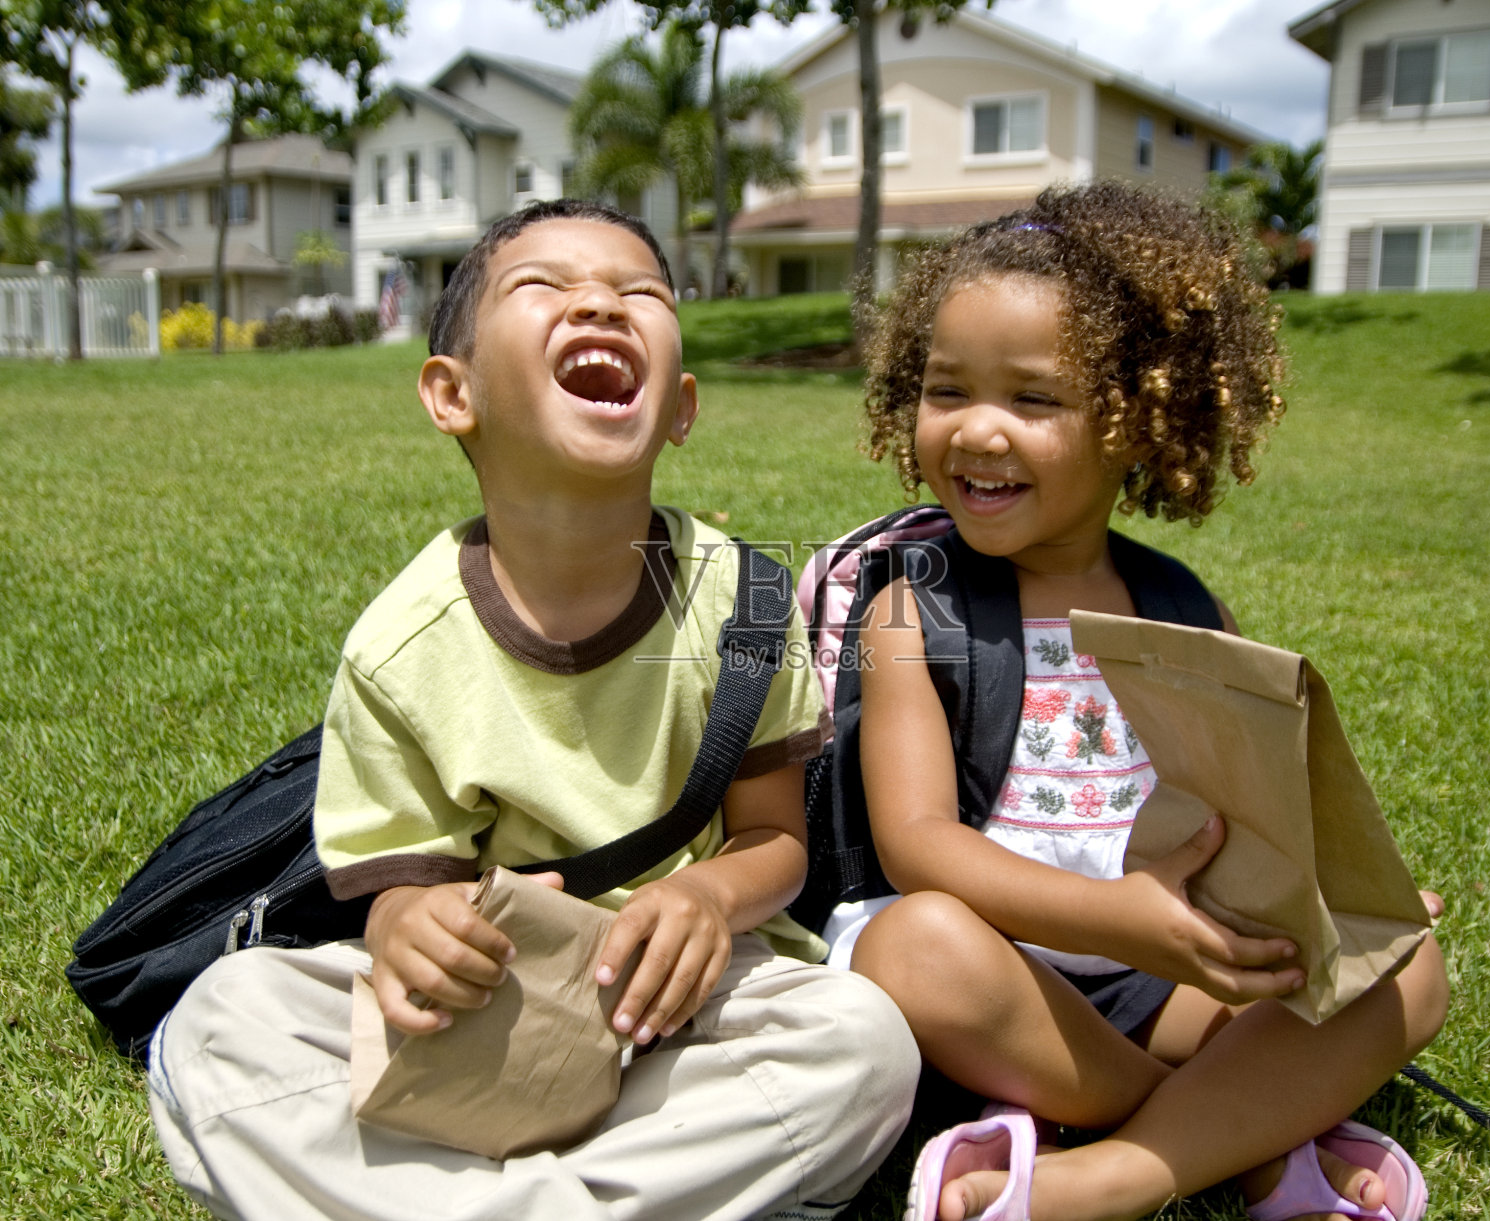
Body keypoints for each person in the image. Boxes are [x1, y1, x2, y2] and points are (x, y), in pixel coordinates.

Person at [145, 198, 920, 1221]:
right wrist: (411, 924)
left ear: (680, 408)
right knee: (219, 1024)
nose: (600, 301)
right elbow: (400, 892)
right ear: (450, 393)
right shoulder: (400, 645)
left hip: (679, 1010)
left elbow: (775, 840)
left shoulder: (748, 604)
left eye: (641, 292)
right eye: (544, 288)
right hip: (485, 1020)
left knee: (861, 1042)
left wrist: (707, 901)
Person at [841, 181, 1451, 1221]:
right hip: (1002, 978)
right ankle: (1226, 1134)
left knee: (1412, 970)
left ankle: (1096, 1179)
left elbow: (1239, 811)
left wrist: (1319, 903)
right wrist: (1120, 922)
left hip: (1165, 975)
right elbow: (917, 848)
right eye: (948, 391)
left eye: (1033, 401)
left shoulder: (1183, 607)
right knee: (915, 943)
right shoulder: (911, 608)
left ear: (1140, 419)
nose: (979, 431)